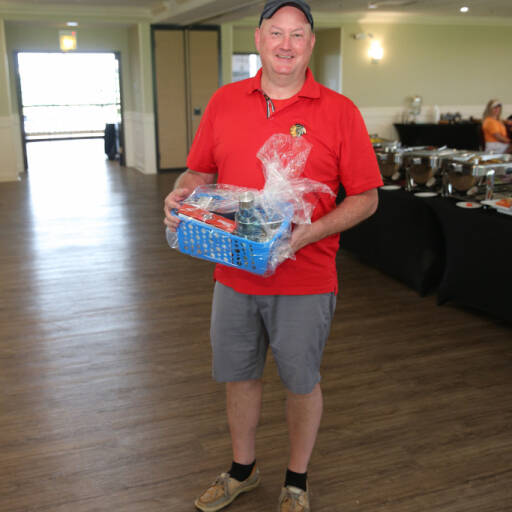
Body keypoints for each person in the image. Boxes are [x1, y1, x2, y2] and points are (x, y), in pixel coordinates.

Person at [164, 1, 382, 510]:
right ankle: (243, 470)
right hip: (233, 274)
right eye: (277, 33)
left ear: (311, 43)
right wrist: (180, 192)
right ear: (259, 39)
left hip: (306, 277)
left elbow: (367, 197)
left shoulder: (340, 111)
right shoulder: (224, 102)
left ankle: (296, 482)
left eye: (298, 34)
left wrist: (307, 234)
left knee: (302, 381)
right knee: (238, 375)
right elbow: (197, 173)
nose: (286, 44)